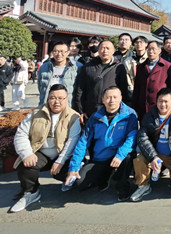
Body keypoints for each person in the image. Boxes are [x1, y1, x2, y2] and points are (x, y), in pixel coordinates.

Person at [10, 84, 81, 213]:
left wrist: (60, 161)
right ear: (48, 99)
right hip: (40, 152)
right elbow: (21, 134)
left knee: (76, 178)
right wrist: (27, 153)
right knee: (26, 166)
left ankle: (68, 181)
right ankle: (31, 192)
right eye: (53, 98)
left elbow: (72, 141)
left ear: (67, 99)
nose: (57, 102)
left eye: (61, 98)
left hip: (62, 154)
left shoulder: (73, 116)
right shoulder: (36, 113)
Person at [65, 86, 138, 201]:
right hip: (101, 157)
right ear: (103, 99)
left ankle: (122, 186)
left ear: (121, 98)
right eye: (108, 97)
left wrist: (120, 155)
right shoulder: (95, 117)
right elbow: (83, 142)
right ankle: (105, 177)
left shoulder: (130, 115)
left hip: (119, 156)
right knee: (79, 184)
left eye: (115, 97)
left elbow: (131, 138)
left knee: (128, 157)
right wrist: (73, 167)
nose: (111, 100)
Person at [130, 88, 171, 201]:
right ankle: (143, 185)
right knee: (138, 160)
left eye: (166, 101)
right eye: (160, 101)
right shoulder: (149, 115)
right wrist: (153, 157)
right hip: (155, 153)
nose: (163, 104)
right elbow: (142, 138)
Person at [72, 40, 128, 120]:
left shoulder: (119, 67)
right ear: (98, 50)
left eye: (108, 48)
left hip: (111, 110)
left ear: (113, 51)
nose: (105, 51)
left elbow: (123, 90)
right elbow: (80, 89)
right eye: (102, 48)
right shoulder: (88, 66)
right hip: (90, 110)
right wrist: (80, 110)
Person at [132, 40, 171, 121]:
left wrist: (170, 103)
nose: (151, 51)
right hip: (143, 107)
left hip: (160, 106)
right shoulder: (141, 67)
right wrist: (135, 106)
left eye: (153, 49)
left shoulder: (167, 66)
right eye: (148, 49)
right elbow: (137, 88)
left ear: (159, 50)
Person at [37, 41, 80, 106]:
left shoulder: (77, 67)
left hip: (68, 106)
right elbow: (40, 86)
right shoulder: (44, 67)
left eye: (62, 51)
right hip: (47, 105)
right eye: (55, 51)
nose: (59, 54)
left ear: (68, 52)